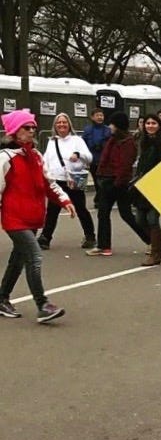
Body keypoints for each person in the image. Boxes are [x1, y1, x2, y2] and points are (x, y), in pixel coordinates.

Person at [0, 110, 75, 322]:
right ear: (15, 132)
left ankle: (2, 297)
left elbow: (49, 184)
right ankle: (43, 305)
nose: (32, 131)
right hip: (14, 218)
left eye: (33, 127)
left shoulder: (36, 156)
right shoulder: (5, 158)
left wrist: (65, 201)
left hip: (32, 217)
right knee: (34, 256)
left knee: (18, 259)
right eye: (27, 127)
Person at [86, 112, 148, 257]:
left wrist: (117, 183)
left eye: (112, 124)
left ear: (118, 125)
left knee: (120, 214)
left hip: (116, 182)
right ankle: (104, 245)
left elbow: (125, 165)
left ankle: (151, 240)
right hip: (107, 180)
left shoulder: (127, 143)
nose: (109, 126)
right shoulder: (113, 140)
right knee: (112, 214)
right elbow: (104, 160)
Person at [39, 113, 96, 250]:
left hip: (74, 180)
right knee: (52, 210)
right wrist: (46, 173)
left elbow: (89, 157)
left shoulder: (77, 140)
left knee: (81, 208)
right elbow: (46, 159)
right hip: (57, 181)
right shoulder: (52, 141)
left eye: (64, 122)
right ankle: (45, 238)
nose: (61, 125)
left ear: (69, 124)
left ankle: (90, 236)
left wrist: (78, 155)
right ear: (55, 126)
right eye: (59, 123)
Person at [131, 113, 161, 266]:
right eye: (148, 123)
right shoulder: (143, 141)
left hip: (157, 185)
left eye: (153, 123)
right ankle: (160, 244)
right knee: (139, 219)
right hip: (142, 185)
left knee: (152, 218)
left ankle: (156, 252)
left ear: (159, 125)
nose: (150, 126)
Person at [81, 108, 111, 209]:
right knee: (97, 181)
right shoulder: (88, 129)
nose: (100, 117)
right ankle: (99, 199)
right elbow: (82, 143)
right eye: (97, 115)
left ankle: (100, 200)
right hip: (93, 161)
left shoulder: (108, 130)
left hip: (105, 161)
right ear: (92, 117)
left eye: (101, 115)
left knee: (102, 182)